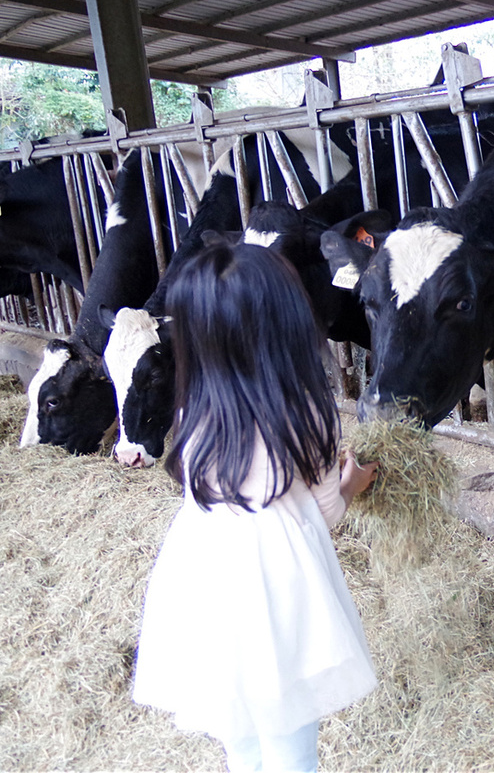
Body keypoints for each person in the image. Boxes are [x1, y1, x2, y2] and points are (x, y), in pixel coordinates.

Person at [132, 239, 379, 772]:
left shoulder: (197, 408)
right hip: (278, 582)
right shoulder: (305, 410)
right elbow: (323, 513)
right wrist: (352, 484)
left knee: (239, 738)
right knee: (292, 744)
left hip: (200, 576)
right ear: (286, 323)